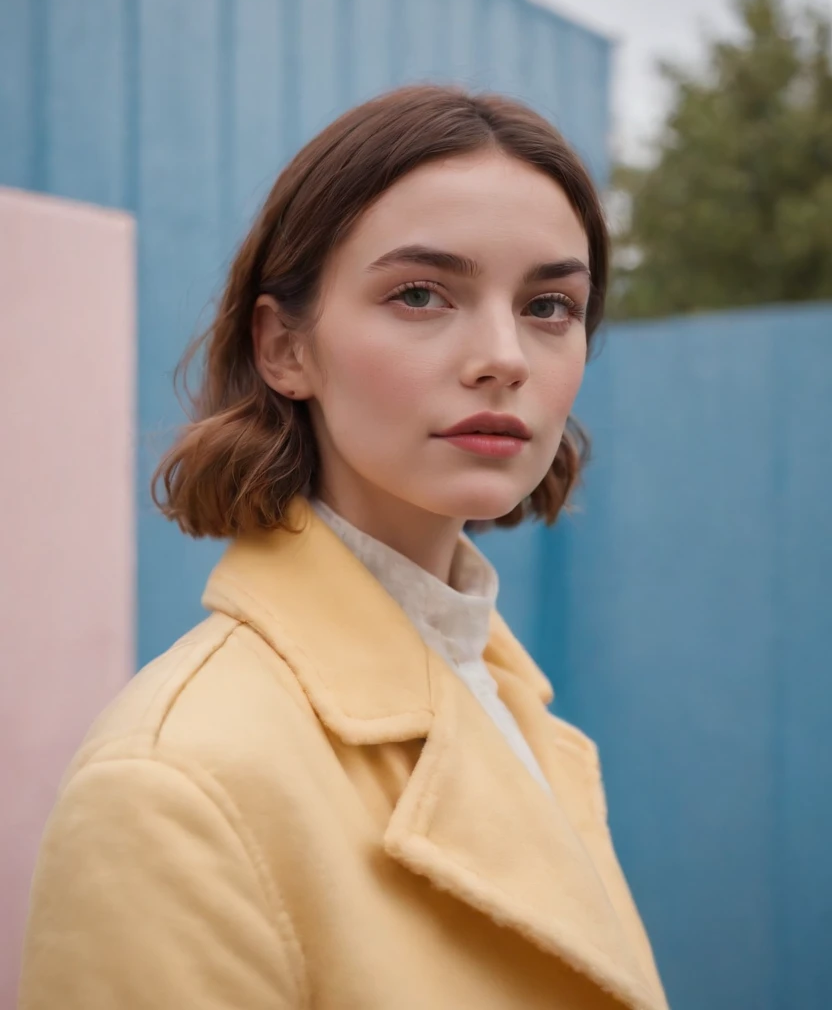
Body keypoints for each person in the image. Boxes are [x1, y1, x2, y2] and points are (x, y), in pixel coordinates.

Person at [19, 86, 668, 1010]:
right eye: (420, 293)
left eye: (551, 305)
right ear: (285, 348)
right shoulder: (175, 783)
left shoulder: (507, 698)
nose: (504, 355)